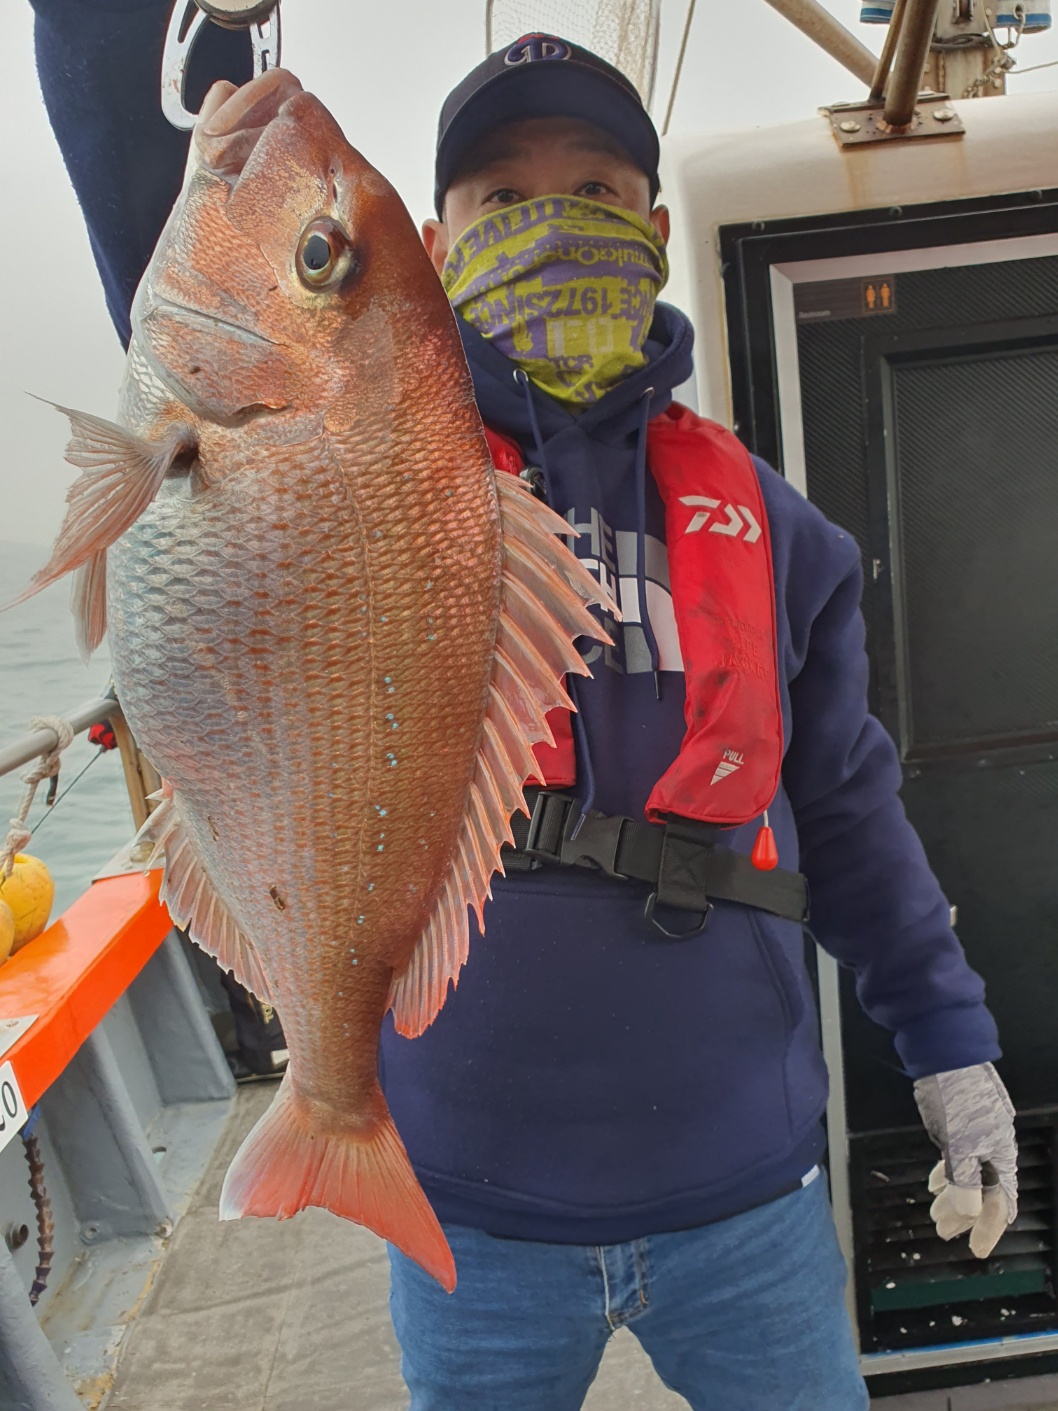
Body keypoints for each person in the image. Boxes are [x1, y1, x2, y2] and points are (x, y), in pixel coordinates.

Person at [30, 10, 1018, 1408]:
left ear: (656, 228)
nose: (551, 221)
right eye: (502, 197)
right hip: (469, 1210)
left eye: (594, 189)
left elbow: (851, 816)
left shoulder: (771, 525)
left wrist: (952, 1049)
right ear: (435, 250)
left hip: (749, 1195)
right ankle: (334, 1111)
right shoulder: (373, 458)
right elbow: (146, 166)